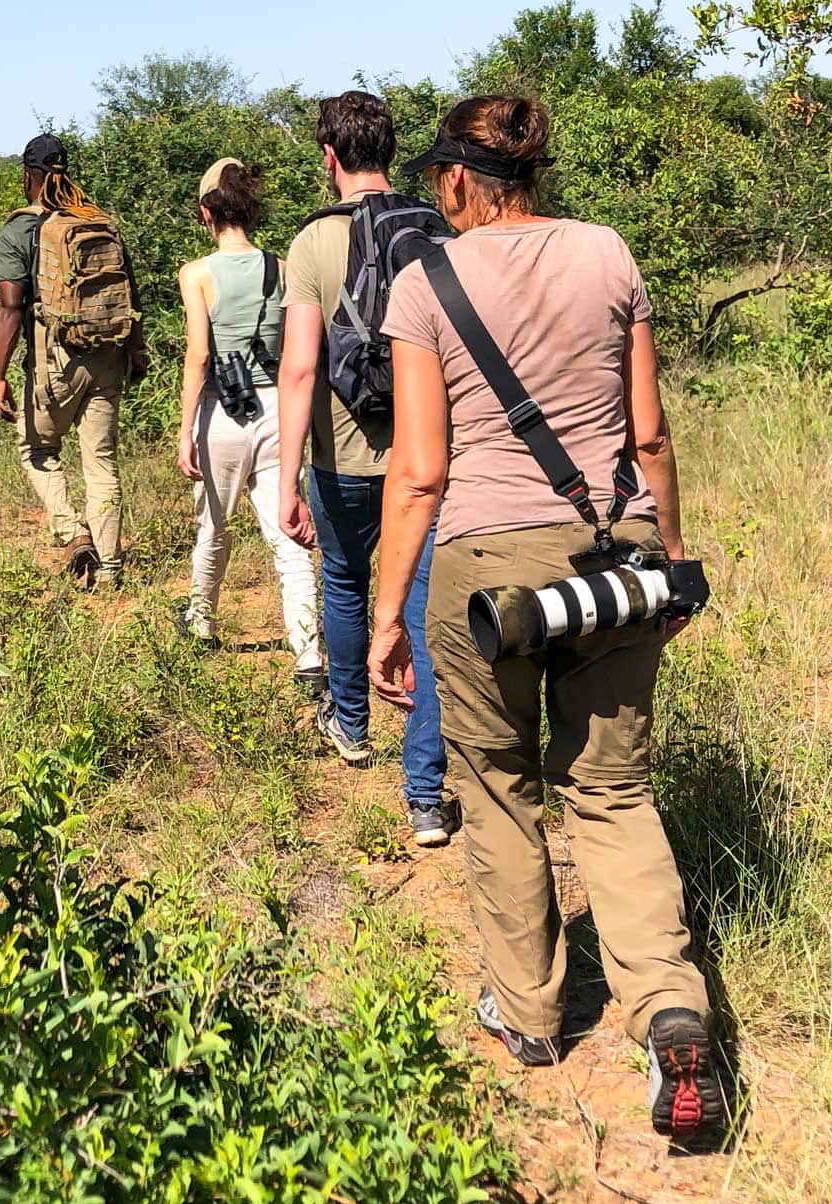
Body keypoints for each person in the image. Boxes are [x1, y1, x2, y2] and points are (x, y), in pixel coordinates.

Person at [368, 94, 724, 1142]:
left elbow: (421, 470)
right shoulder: (608, 255)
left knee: (496, 787)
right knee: (613, 790)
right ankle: (668, 1005)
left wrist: (388, 610)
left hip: (484, 568)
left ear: (457, 180)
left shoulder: (422, 280)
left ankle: (528, 1016)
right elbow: (649, 435)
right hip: (613, 553)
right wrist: (670, 561)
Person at [275, 91, 457, 848]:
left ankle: (350, 725)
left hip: (341, 455)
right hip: (428, 455)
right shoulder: (437, 226)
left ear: (329, 156)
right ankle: (424, 797)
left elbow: (299, 368)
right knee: (423, 614)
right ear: (389, 147)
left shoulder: (311, 242)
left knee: (347, 584)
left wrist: (286, 478)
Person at [175, 159, 324, 684]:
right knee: (287, 530)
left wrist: (184, 429)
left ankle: (200, 622)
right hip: (279, 410)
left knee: (213, 527)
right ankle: (307, 650)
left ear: (206, 213)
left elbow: (198, 356)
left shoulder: (196, 274)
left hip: (222, 410)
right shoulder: (282, 268)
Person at [0, 134, 148, 589]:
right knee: (101, 462)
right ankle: (112, 569)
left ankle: (72, 530)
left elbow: (10, 305)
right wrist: (136, 348)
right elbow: (129, 290)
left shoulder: (21, 229)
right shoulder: (98, 221)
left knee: (36, 448)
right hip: (108, 353)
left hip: (53, 360)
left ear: (28, 175)